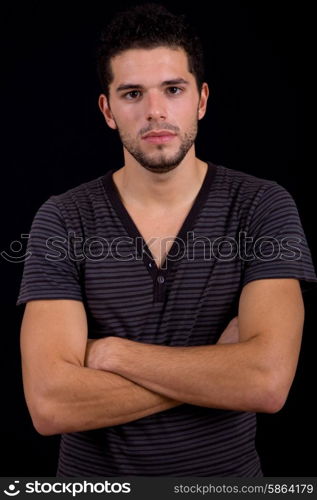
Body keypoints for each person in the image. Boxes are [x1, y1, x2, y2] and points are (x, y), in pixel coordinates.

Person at [17, 3, 317, 477]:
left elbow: (266, 383)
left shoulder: (261, 207)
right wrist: (219, 369)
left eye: (172, 90)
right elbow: (52, 404)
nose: (155, 111)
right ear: (108, 109)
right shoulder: (64, 218)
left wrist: (112, 353)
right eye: (132, 93)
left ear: (200, 99)